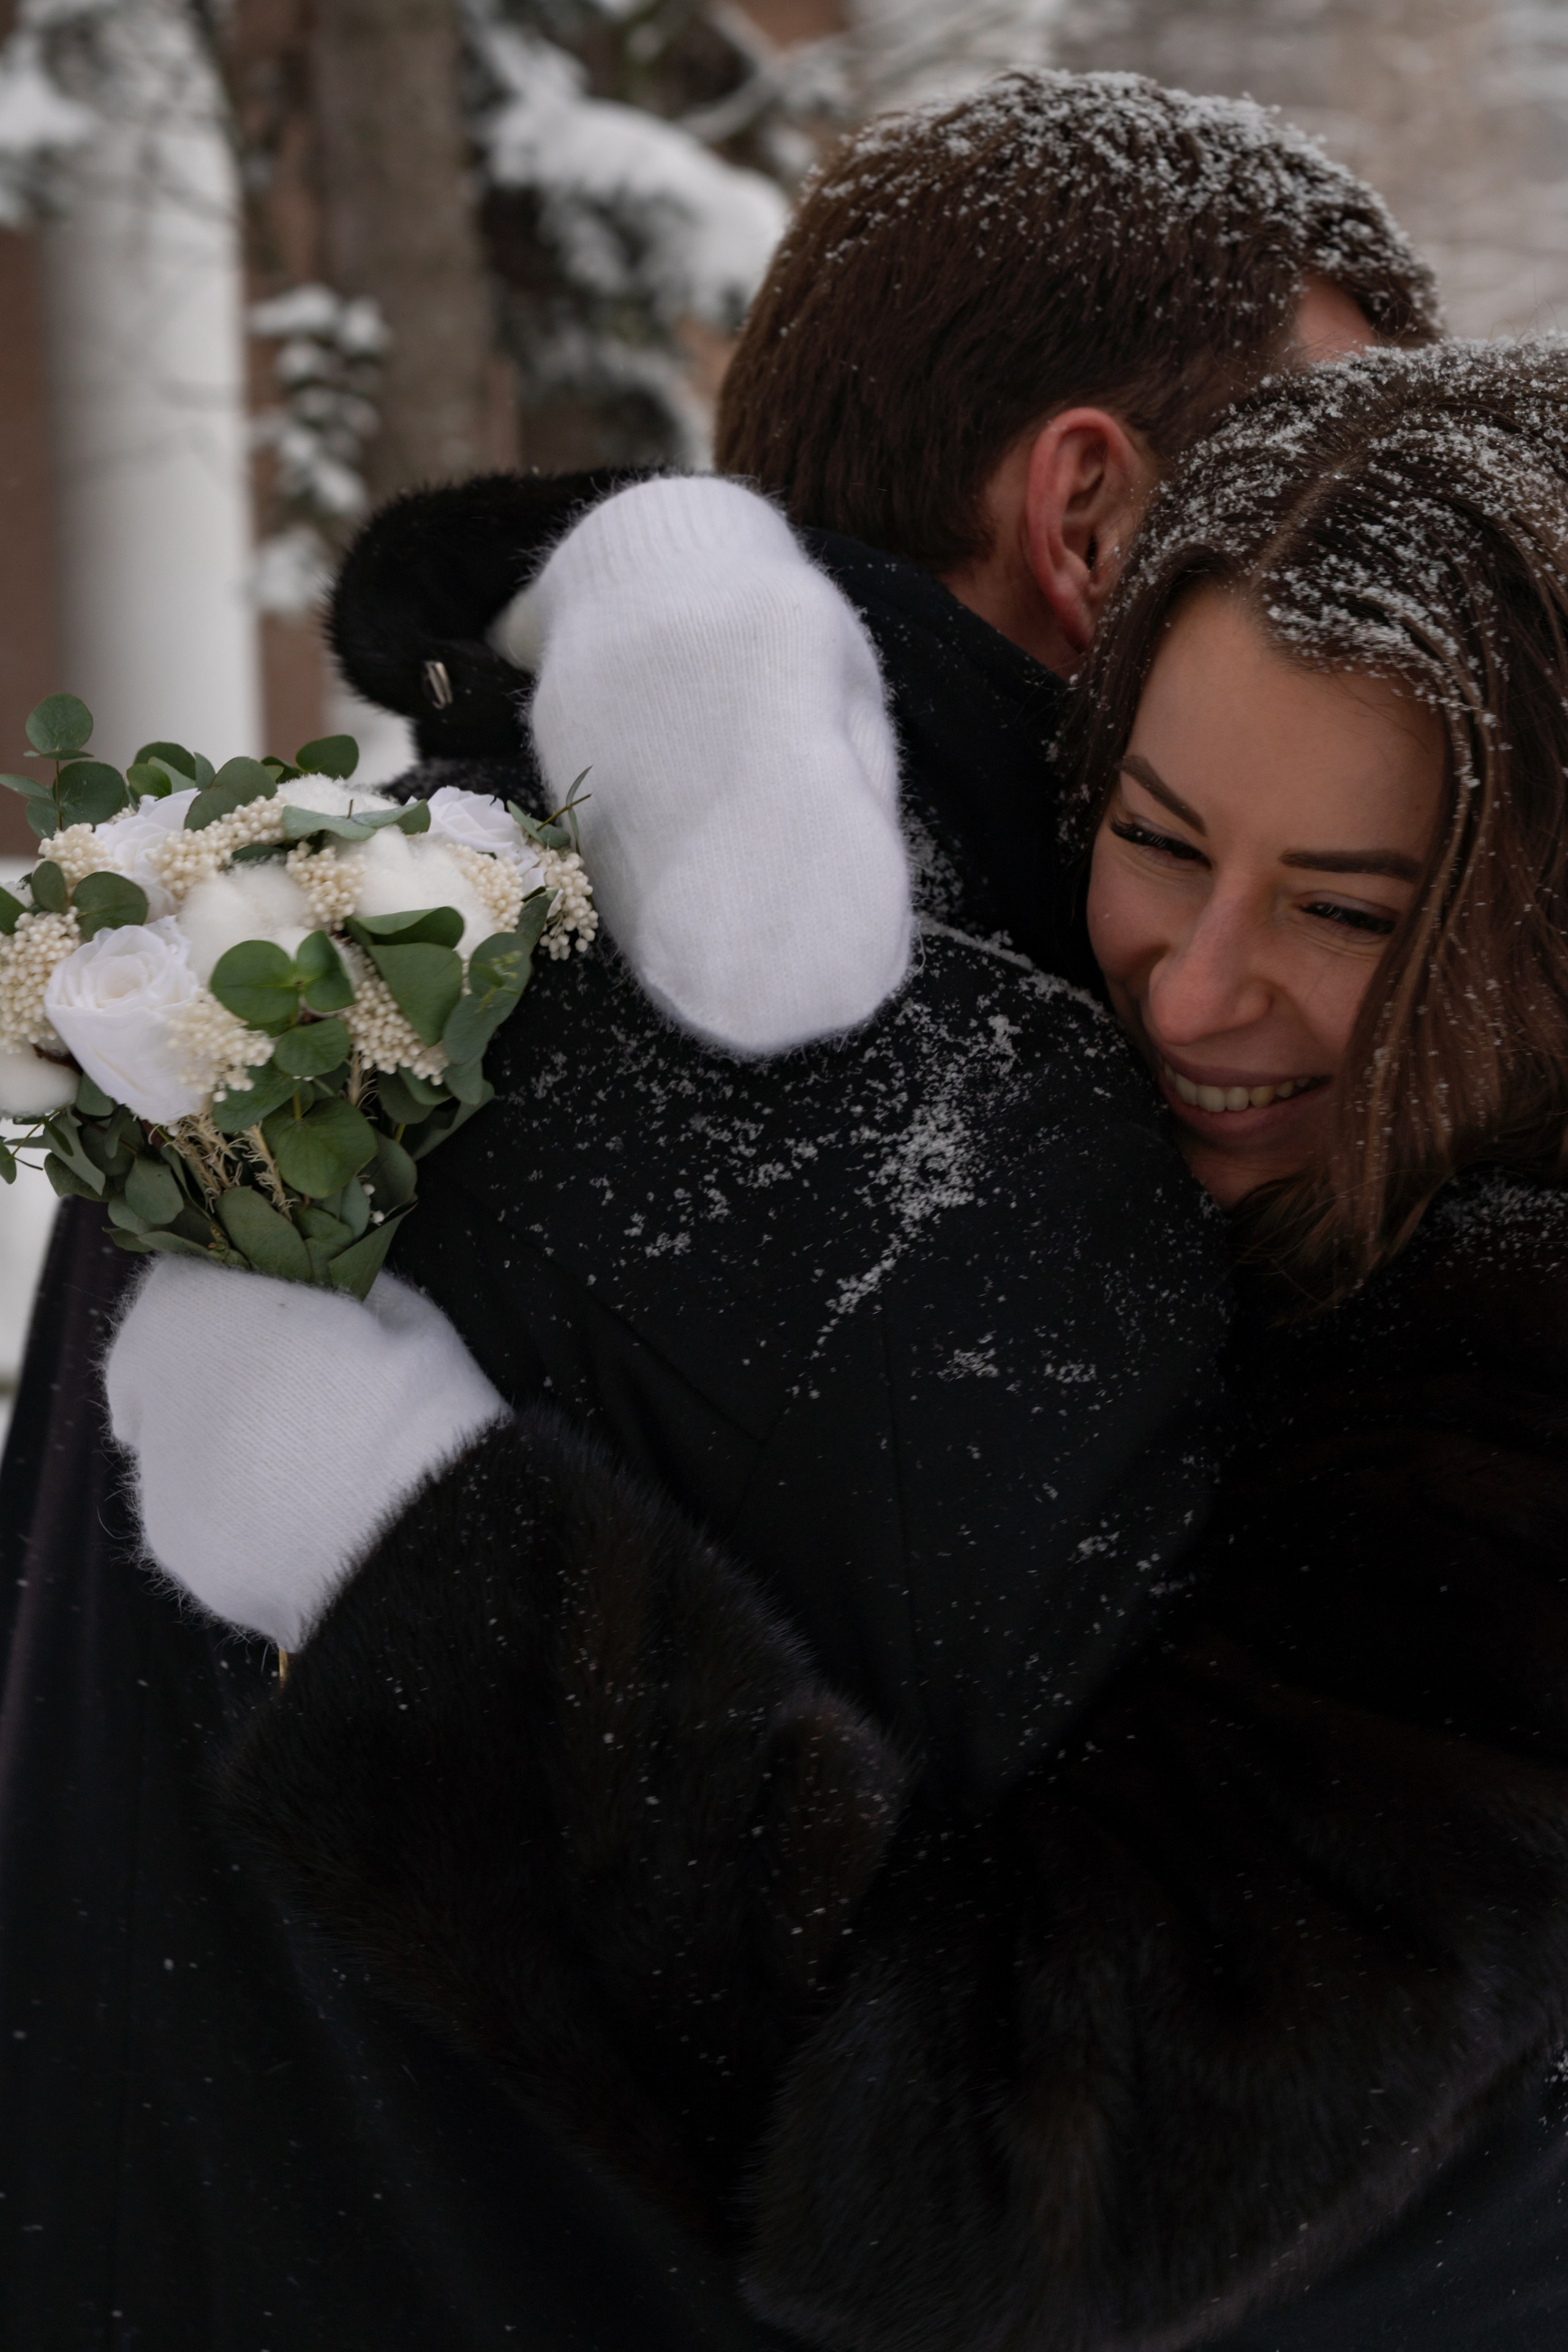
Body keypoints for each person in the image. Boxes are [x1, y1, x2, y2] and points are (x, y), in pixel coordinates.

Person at [1, 70, 1439, 2352]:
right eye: (1313, 505)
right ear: (1093, 512)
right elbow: (1196, 2174)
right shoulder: (951, 1132)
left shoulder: (301, 964)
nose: (1373, 603)